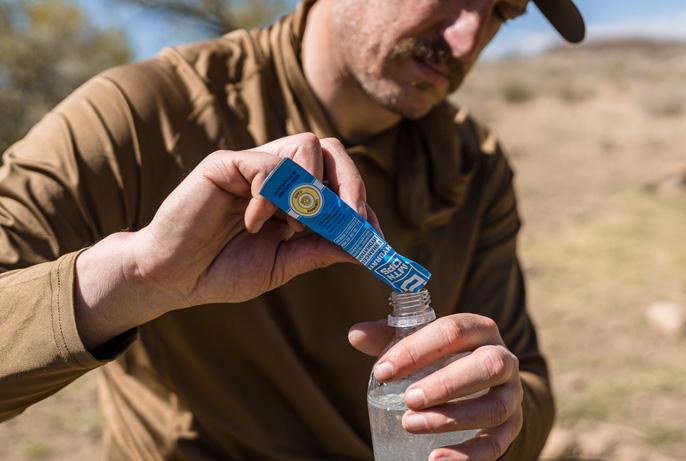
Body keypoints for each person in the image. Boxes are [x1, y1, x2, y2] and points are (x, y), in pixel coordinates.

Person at [0, 0, 584, 459]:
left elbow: (525, 381)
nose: (466, 39)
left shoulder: (473, 161)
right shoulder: (134, 116)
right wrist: (139, 276)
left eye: (502, 12)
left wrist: (500, 412)